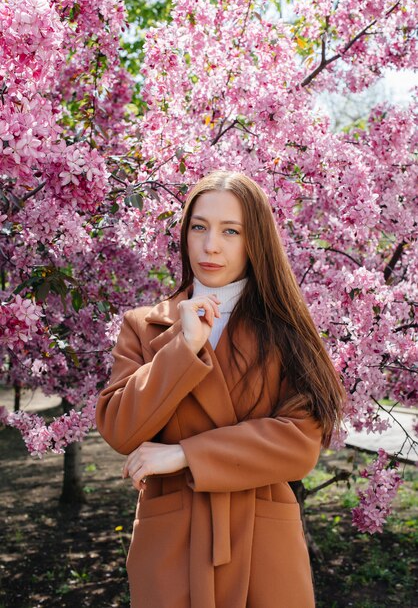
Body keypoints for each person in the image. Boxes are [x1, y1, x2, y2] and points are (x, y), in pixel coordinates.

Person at [95, 170, 345, 608]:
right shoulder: (143, 325)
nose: (211, 245)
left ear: (256, 242)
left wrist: (185, 454)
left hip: (263, 544)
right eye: (199, 227)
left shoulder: (286, 331)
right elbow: (120, 429)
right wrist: (183, 347)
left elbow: (300, 444)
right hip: (172, 542)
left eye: (231, 231)